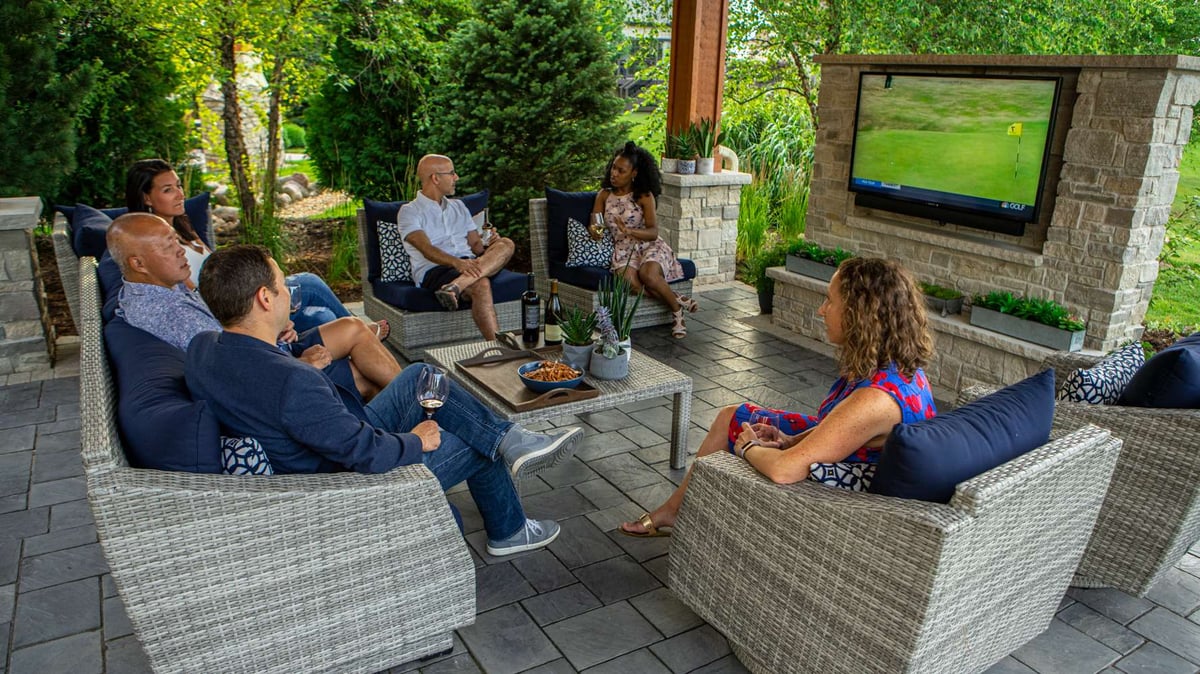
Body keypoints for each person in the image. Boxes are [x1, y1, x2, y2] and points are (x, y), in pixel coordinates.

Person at [185, 244, 584, 555]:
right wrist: (418, 441)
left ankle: (513, 440)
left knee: (421, 375)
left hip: (320, 444)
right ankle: (510, 529)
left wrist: (280, 345)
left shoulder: (204, 347)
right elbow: (364, 453)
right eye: (282, 287)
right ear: (265, 300)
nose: (290, 296)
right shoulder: (290, 382)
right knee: (469, 440)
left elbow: (268, 389)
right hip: (346, 486)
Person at [619, 257, 937, 536]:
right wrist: (789, 439)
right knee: (733, 415)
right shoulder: (896, 366)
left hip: (845, 495)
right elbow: (846, 431)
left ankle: (676, 511)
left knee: (735, 426)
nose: (821, 310)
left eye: (830, 301)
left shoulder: (877, 400)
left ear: (860, 314)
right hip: (844, 452)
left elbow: (784, 471)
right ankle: (675, 508)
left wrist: (749, 448)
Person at [107, 213, 399, 402]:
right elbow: (235, 369)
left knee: (353, 327)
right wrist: (300, 365)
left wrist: (273, 323)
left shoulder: (161, 288)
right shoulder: (168, 315)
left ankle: (420, 402)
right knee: (367, 375)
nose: (180, 251)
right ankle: (418, 415)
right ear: (138, 264)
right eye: (167, 246)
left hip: (269, 347)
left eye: (176, 241)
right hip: (275, 371)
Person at [124, 158, 386, 338]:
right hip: (236, 303)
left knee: (309, 281)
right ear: (146, 197)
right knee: (320, 314)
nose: (180, 194)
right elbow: (202, 298)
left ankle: (364, 333)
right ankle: (363, 336)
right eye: (168, 190)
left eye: (179, 186)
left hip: (240, 287)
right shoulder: (156, 252)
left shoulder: (183, 226)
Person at [396, 154, 516, 340]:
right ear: (435, 178)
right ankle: (497, 347)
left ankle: (454, 287)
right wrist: (457, 263)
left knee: (506, 243)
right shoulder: (409, 212)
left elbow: (476, 247)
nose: (456, 178)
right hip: (434, 270)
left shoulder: (459, 207)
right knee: (481, 283)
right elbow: (426, 249)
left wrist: (490, 242)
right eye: (451, 173)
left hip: (469, 263)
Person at [591, 141, 697, 339]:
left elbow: (653, 232)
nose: (614, 173)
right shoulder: (604, 195)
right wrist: (595, 232)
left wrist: (628, 230)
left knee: (648, 275)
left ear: (634, 173)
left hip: (648, 245)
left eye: (621, 170)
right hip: (623, 250)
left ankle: (677, 314)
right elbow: (595, 224)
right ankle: (674, 299)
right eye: (613, 167)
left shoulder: (644, 196)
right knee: (630, 283)